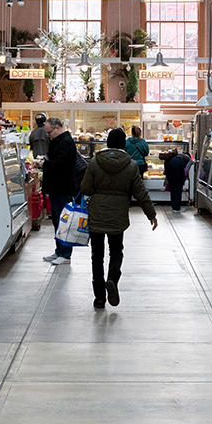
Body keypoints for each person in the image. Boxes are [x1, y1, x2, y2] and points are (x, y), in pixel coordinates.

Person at [80, 128, 157, 308]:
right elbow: (140, 192)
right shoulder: (130, 166)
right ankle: (113, 278)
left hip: (97, 214)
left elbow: (86, 189)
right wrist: (151, 214)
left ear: (107, 143)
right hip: (118, 215)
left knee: (96, 256)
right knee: (116, 252)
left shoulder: (94, 162)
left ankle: (99, 298)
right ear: (123, 144)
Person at [40, 117, 81, 265]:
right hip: (57, 187)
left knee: (63, 221)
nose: (48, 135)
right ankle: (59, 251)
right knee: (57, 220)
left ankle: (65, 253)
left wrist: (45, 163)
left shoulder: (66, 143)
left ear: (57, 128)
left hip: (62, 187)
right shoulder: (59, 141)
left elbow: (62, 164)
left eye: (49, 132)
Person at [159, 147, 192, 213]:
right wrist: (183, 179)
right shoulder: (188, 159)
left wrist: (167, 178)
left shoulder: (174, 157)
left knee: (172, 187)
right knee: (178, 187)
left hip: (168, 165)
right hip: (177, 167)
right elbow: (186, 170)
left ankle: (174, 206)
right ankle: (177, 208)